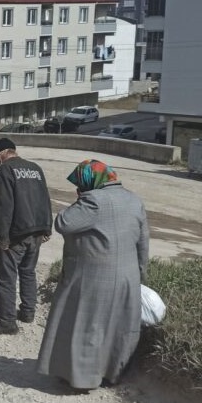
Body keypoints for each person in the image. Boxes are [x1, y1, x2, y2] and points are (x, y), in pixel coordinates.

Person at [37, 159, 149, 390]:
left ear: (89, 181)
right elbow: (143, 243)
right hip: (128, 276)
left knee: (87, 326)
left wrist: (80, 197)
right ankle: (112, 374)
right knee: (117, 328)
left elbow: (63, 223)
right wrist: (140, 273)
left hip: (93, 277)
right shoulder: (133, 199)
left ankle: (83, 379)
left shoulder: (93, 201)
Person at [0, 138, 53, 335]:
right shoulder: (35, 168)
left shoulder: (5, 171)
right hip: (36, 231)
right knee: (28, 271)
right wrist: (46, 227)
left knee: (5, 276)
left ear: (0, 154)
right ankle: (27, 312)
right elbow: (44, 198)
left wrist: (2, 237)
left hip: (17, 233)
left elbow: (3, 206)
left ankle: (7, 322)